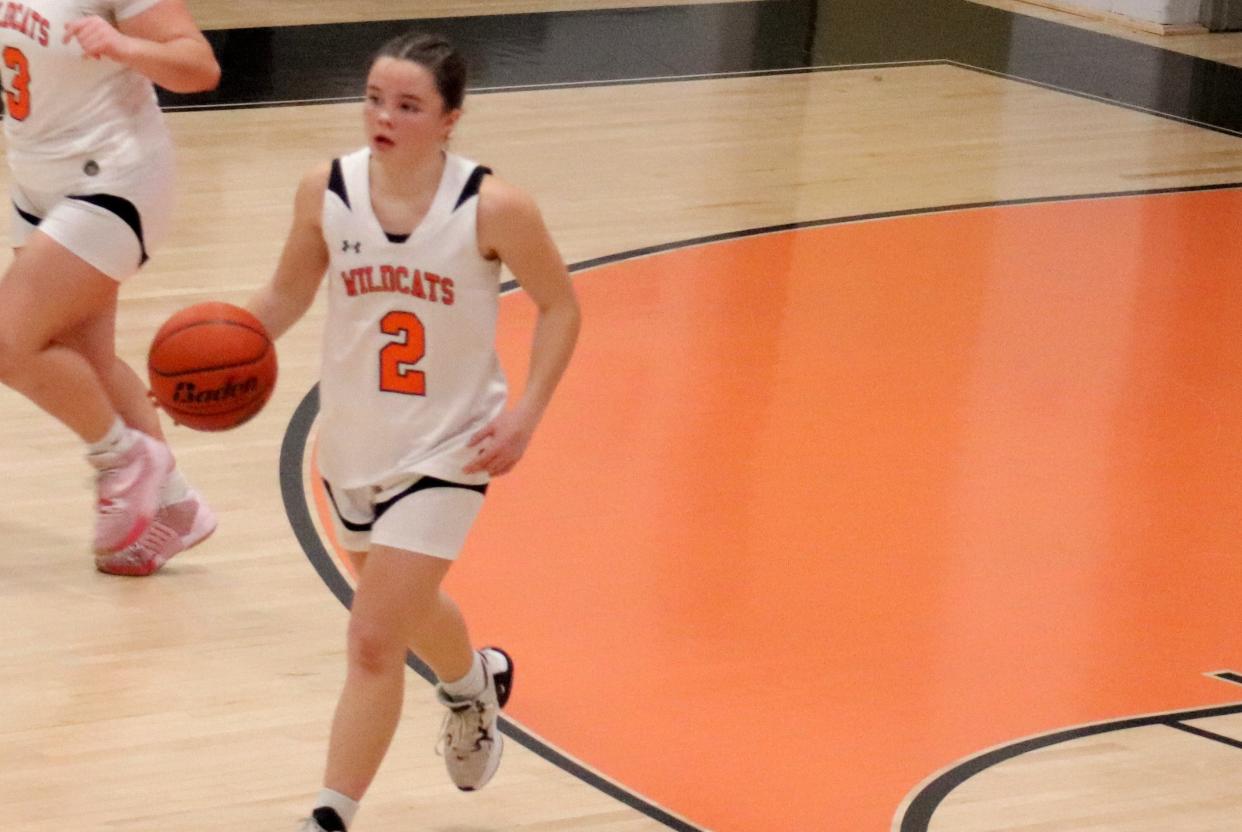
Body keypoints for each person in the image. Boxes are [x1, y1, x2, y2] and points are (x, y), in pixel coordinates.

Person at [245, 31, 581, 832]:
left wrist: (526, 412)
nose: (382, 116)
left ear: (449, 119)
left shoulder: (494, 206)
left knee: (371, 638)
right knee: (406, 608)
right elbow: (281, 299)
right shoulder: (325, 190)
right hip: (353, 445)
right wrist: (190, 365)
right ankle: (473, 684)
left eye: (406, 105)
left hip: (451, 449)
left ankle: (329, 815)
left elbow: (561, 306)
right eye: (372, 98)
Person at [0, 0, 221, 575]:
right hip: (35, 179)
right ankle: (176, 506)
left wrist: (127, 48)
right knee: (86, 361)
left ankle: (121, 457)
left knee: (7, 342)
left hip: (113, 177)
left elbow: (199, 66)